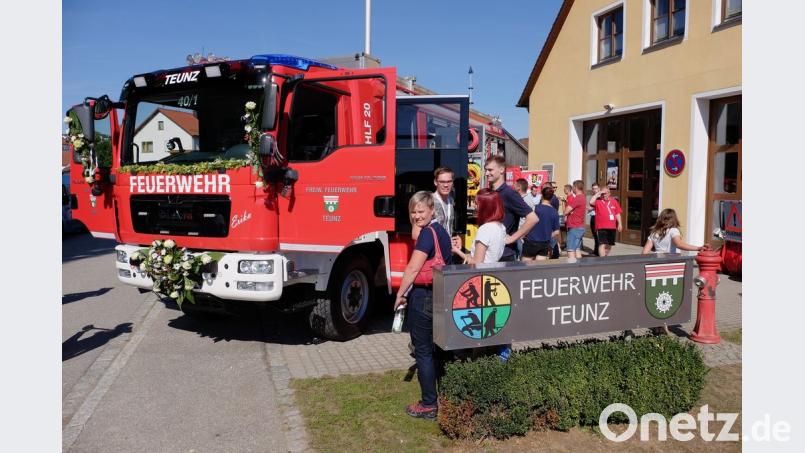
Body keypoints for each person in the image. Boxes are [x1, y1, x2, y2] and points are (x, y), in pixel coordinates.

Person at [395, 191, 453, 420]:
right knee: (436, 349)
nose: (417, 215)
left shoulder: (427, 235)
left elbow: (412, 268)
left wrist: (400, 294)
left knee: (423, 352)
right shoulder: (441, 231)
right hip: (439, 294)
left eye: (421, 211)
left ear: (432, 211)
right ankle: (442, 393)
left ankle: (429, 404)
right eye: (413, 211)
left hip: (424, 296)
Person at [483, 155, 538, 261]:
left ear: (501, 169)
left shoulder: (509, 193)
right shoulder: (490, 193)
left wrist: (512, 238)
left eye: (490, 170)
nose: (486, 173)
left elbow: (533, 218)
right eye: (485, 170)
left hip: (504, 254)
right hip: (489, 252)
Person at [412, 167, 463, 254]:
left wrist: (457, 239)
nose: (446, 185)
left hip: (447, 254)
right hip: (432, 255)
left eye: (449, 181)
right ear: (435, 182)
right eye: (442, 182)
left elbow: (447, 227)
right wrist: (444, 242)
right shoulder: (427, 201)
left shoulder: (451, 200)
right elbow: (416, 235)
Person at [452, 189, 506, 264]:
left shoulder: (485, 229)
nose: (474, 206)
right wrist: (462, 248)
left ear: (486, 207)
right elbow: (485, 256)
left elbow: (476, 262)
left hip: (480, 274)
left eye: (477, 204)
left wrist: (456, 251)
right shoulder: (501, 227)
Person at [642, 209, 708, 254]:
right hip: (671, 262)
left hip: (657, 261)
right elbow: (679, 245)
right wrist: (698, 248)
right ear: (674, 219)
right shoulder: (673, 230)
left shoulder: (654, 232)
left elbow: (644, 252)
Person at [522, 186, 561, 262]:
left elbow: (527, 223)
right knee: (539, 269)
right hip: (545, 243)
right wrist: (547, 235)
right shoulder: (555, 212)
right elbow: (557, 232)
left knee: (525, 267)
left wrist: (522, 236)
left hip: (531, 241)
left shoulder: (535, 208)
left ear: (542, 195)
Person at [589, 187, 622, 257]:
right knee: (602, 243)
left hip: (612, 226)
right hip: (601, 226)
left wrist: (620, 223)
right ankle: (602, 259)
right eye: (603, 194)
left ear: (609, 193)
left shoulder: (614, 201)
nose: (604, 195)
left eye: (606, 193)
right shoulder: (598, 201)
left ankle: (605, 256)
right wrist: (598, 193)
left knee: (609, 244)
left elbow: (617, 213)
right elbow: (591, 202)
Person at [564, 180, 588, 261]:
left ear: (576, 187)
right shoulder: (583, 197)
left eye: (573, 187)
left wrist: (566, 211)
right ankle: (580, 269)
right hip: (579, 226)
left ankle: (571, 270)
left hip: (574, 227)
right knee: (577, 249)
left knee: (570, 250)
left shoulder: (577, 198)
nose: (572, 188)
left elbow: (566, 211)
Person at [514, 179, 535, 257]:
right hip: (521, 233)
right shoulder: (524, 199)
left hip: (522, 234)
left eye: (514, 185)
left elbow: (528, 219)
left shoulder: (525, 200)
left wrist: (521, 233)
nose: (513, 187)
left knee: (521, 255)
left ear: (519, 187)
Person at [588, 182, 601, 256]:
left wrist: (592, 208)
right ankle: (596, 250)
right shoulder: (594, 196)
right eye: (593, 189)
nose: (594, 190)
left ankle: (598, 252)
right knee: (594, 234)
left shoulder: (600, 196)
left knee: (597, 235)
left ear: (599, 188)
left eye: (596, 188)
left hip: (597, 217)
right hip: (593, 216)